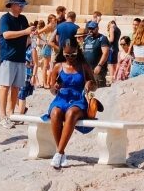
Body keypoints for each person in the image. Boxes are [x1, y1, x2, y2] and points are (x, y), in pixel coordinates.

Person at [44, 38, 96, 169]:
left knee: (71, 113)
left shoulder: (84, 66)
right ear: (63, 52)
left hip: (78, 99)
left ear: (78, 51)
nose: (70, 58)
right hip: (61, 98)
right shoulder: (58, 66)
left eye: (73, 54)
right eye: (67, 55)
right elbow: (51, 89)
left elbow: (95, 85)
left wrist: (90, 84)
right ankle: (61, 153)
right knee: (55, 113)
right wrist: (55, 87)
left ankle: (59, 153)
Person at [0, 0, 33, 129]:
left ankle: (11, 113)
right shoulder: (5, 18)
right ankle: (2, 115)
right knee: (5, 86)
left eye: (23, 5)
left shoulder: (23, 19)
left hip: (20, 57)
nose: (22, 7)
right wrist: (25, 32)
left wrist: (29, 34)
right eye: (20, 5)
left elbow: (26, 36)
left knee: (16, 87)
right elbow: (6, 34)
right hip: (8, 56)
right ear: (12, 5)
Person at [15, 38, 39, 116]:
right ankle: (23, 109)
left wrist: (34, 76)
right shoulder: (19, 47)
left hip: (27, 74)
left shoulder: (32, 49)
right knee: (15, 94)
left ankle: (21, 116)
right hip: (18, 72)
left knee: (22, 94)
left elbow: (36, 64)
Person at [83, 20, 110, 87]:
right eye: (89, 28)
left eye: (92, 29)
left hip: (97, 70)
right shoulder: (87, 38)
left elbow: (105, 53)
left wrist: (99, 65)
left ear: (97, 28)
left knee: (99, 89)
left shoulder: (102, 38)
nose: (90, 30)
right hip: (87, 70)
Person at [40, 14, 57, 88]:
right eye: (53, 18)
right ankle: (44, 83)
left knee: (49, 66)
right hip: (47, 47)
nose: (55, 19)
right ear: (50, 19)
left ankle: (47, 82)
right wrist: (44, 40)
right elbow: (38, 32)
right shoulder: (48, 26)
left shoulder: (54, 26)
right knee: (45, 66)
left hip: (50, 47)